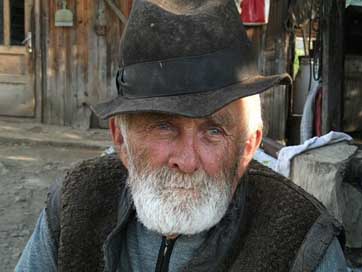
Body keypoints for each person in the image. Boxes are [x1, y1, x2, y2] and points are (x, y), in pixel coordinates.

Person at [16, 0, 347, 271]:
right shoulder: (77, 203)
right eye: (164, 126)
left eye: (213, 131)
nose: (187, 161)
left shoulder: (301, 243)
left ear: (247, 147)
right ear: (121, 140)